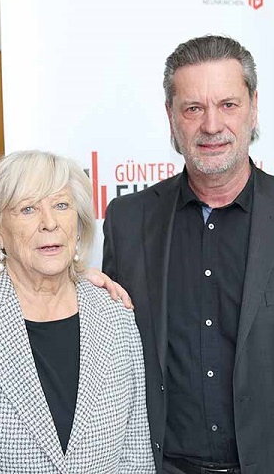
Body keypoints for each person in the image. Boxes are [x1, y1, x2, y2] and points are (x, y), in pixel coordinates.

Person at [103, 35, 270, 474]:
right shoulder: (127, 220)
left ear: (254, 107)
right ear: (171, 117)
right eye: (193, 108)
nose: (211, 125)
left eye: (228, 105)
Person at [0, 150, 155, 473]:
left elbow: (136, 453)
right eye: (28, 209)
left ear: (79, 221)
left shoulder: (116, 314)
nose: (49, 223)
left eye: (61, 205)